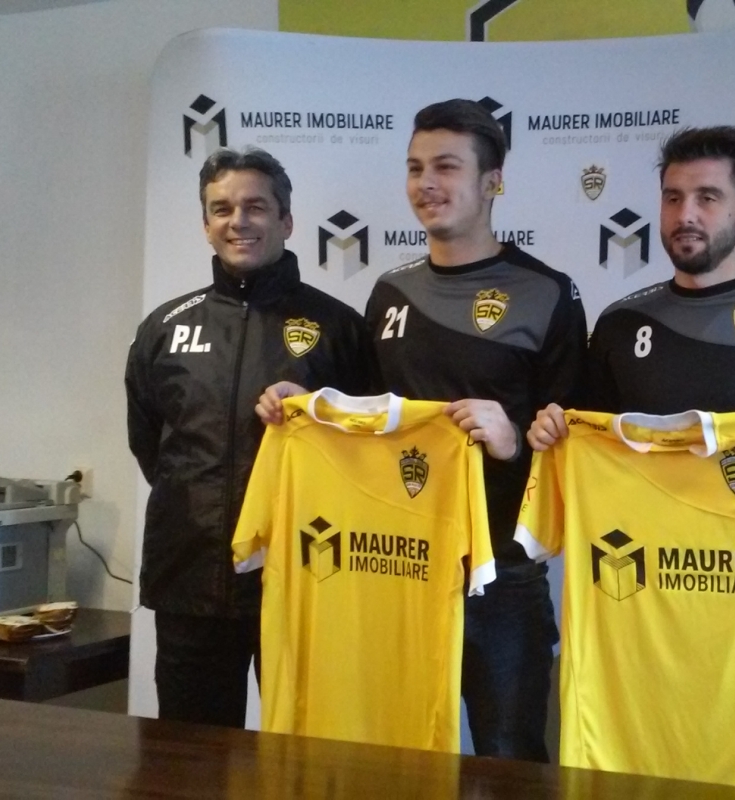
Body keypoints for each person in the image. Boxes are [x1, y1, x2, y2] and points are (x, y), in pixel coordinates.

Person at [258, 99, 586, 761]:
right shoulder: (390, 292)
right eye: (414, 168)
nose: (425, 183)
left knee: (509, 759)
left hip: (501, 572)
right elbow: (366, 421)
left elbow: (577, 443)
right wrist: (307, 407)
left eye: (445, 166)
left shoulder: (547, 292)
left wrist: (512, 438)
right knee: (392, 750)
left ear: (492, 180)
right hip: (396, 561)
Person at [126, 146, 371, 728]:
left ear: (286, 221)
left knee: (309, 753)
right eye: (222, 209)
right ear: (206, 224)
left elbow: (370, 454)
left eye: (256, 207)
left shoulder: (340, 328)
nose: (238, 221)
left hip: (305, 578)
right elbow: (151, 446)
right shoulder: (165, 328)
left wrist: (316, 413)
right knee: (193, 761)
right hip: (190, 581)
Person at [528, 125, 735, 469]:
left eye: (707, 198)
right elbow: (591, 456)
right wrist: (555, 434)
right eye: (673, 198)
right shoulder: (619, 323)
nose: (685, 215)